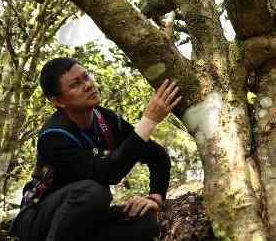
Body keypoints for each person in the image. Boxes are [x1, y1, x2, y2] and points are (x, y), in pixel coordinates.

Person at [11, 57, 181, 241]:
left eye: (86, 77)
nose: (88, 85)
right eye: (76, 84)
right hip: (38, 220)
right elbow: (108, 173)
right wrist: (149, 121)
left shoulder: (107, 120)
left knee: (145, 222)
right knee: (93, 192)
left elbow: (157, 156)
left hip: (83, 219)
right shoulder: (53, 136)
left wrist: (155, 199)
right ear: (59, 101)